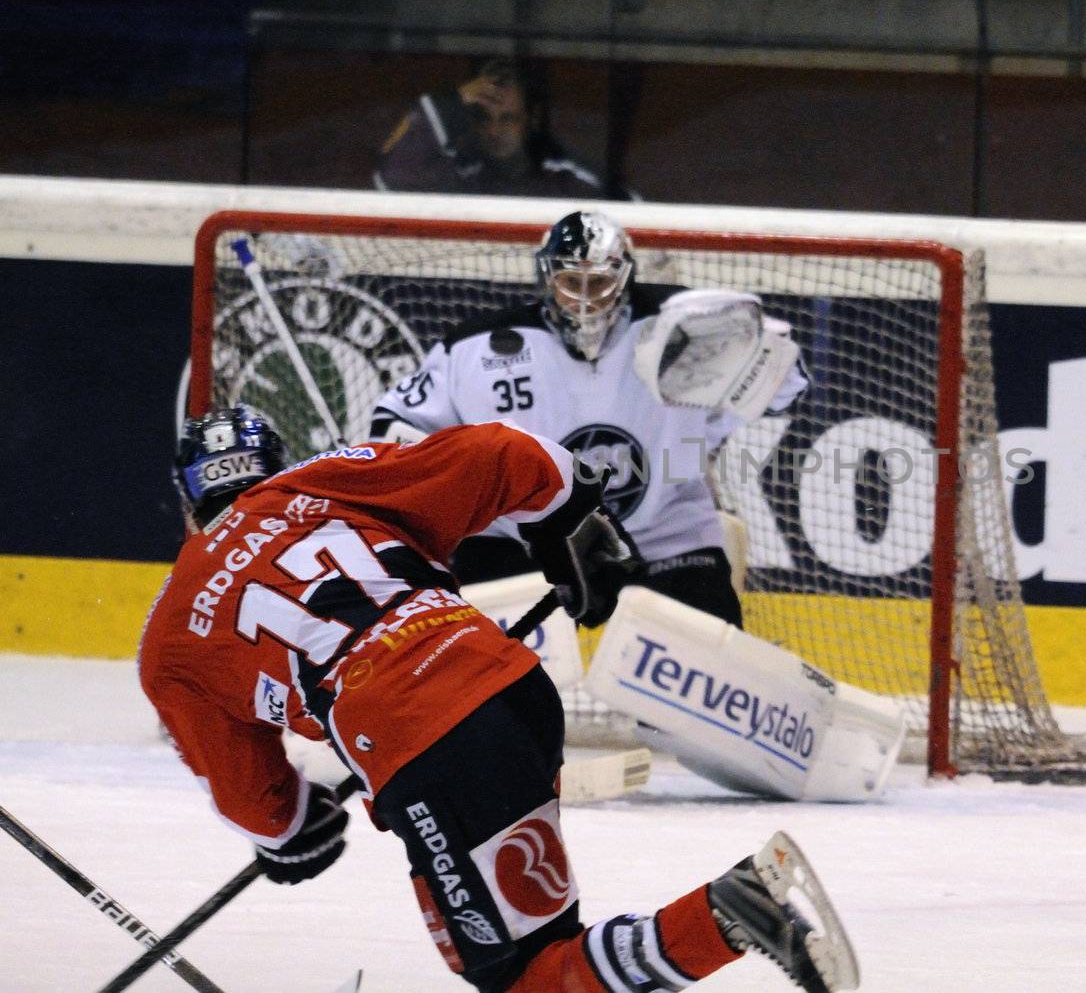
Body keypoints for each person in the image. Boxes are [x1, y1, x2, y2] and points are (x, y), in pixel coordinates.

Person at [139, 407, 858, 992]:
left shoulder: (171, 635)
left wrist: (294, 827)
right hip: (511, 688)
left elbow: (259, 804)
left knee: (523, 978)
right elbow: (503, 451)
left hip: (422, 743)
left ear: (186, 500)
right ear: (277, 463)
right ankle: (718, 918)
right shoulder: (323, 483)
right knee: (521, 948)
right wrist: (568, 517)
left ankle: (733, 913)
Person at [368, 209, 809, 627]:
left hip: (663, 532)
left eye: (597, 282)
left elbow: (783, 385)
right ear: (546, 277)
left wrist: (766, 354)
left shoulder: (685, 328)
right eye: (569, 281)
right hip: (519, 540)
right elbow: (396, 425)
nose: (583, 299)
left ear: (623, 278)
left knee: (703, 673)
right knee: (485, 681)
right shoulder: (475, 347)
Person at [374, 57, 627, 200]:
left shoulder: (571, 182)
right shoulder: (462, 174)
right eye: (484, 118)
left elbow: (632, 218)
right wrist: (455, 101)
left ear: (533, 119)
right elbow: (394, 176)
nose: (494, 132)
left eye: (508, 119)